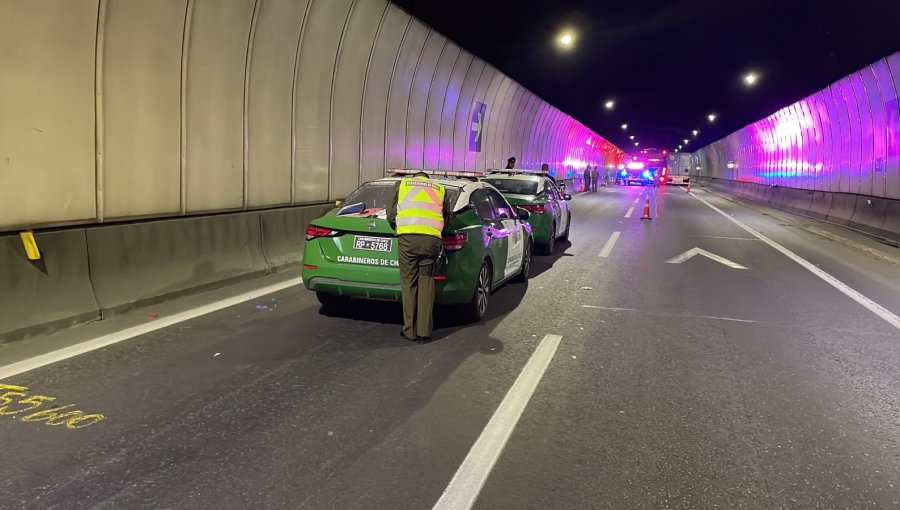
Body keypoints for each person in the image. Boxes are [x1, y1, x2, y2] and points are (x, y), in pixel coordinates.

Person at [387, 172, 453, 343]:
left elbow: (391, 215)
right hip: (431, 240)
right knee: (426, 281)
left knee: (409, 282)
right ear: (427, 179)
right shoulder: (440, 188)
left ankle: (409, 330)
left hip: (408, 239)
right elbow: (446, 218)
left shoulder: (402, 184)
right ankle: (424, 332)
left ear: (415, 178)